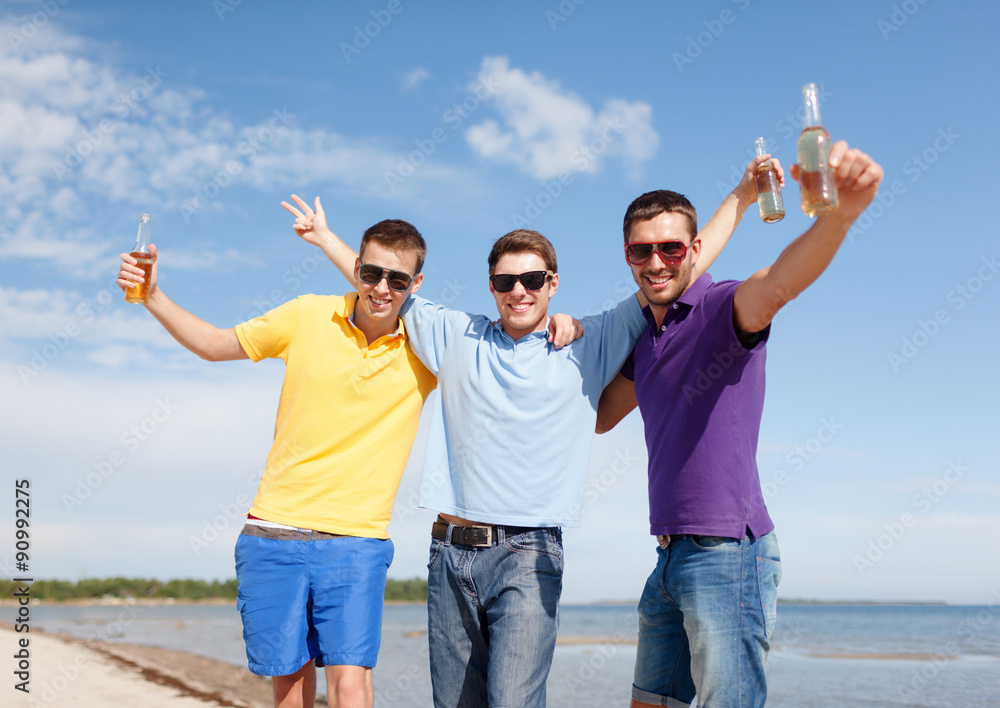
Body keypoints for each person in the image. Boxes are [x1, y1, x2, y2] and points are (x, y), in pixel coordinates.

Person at [283, 156, 775, 708]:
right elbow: (383, 285)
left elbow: (673, 261)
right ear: (491, 287)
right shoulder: (454, 334)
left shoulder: (595, 338)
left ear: (553, 283)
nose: (519, 291)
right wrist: (326, 240)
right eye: (505, 281)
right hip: (450, 553)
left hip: (530, 553)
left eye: (532, 279)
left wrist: (741, 197)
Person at [596, 141, 883, 708]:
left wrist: (841, 216)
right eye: (641, 251)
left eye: (671, 248)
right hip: (670, 554)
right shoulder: (645, 344)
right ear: (627, 256)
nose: (656, 262)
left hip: (730, 553)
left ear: (693, 250)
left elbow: (777, 282)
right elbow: (601, 415)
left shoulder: (722, 310)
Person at [117, 219, 437, 708]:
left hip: (356, 541)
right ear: (356, 269)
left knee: (352, 684)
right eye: (372, 273)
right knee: (289, 688)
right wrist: (154, 295)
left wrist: (565, 327)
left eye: (397, 280)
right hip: (273, 533)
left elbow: (502, 349)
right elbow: (214, 344)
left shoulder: (427, 346)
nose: (381, 288)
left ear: (415, 285)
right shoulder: (306, 315)